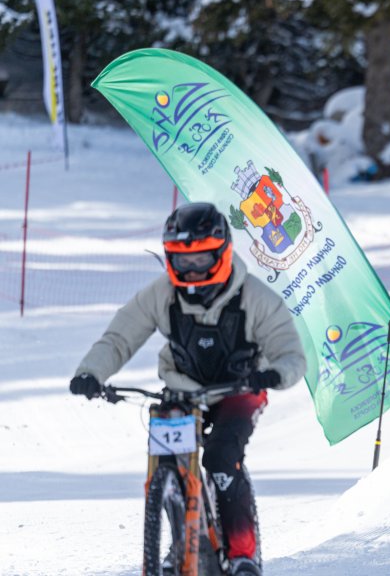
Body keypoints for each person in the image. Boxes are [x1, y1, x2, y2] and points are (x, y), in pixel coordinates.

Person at [70, 202, 306, 576]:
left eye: (201, 260)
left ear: (223, 253)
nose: (192, 272)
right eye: (182, 262)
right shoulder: (162, 294)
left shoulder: (256, 298)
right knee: (170, 459)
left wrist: (275, 374)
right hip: (183, 388)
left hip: (241, 388)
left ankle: (243, 556)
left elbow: (290, 353)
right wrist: (91, 373)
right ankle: (183, 542)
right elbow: (119, 337)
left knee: (221, 458)